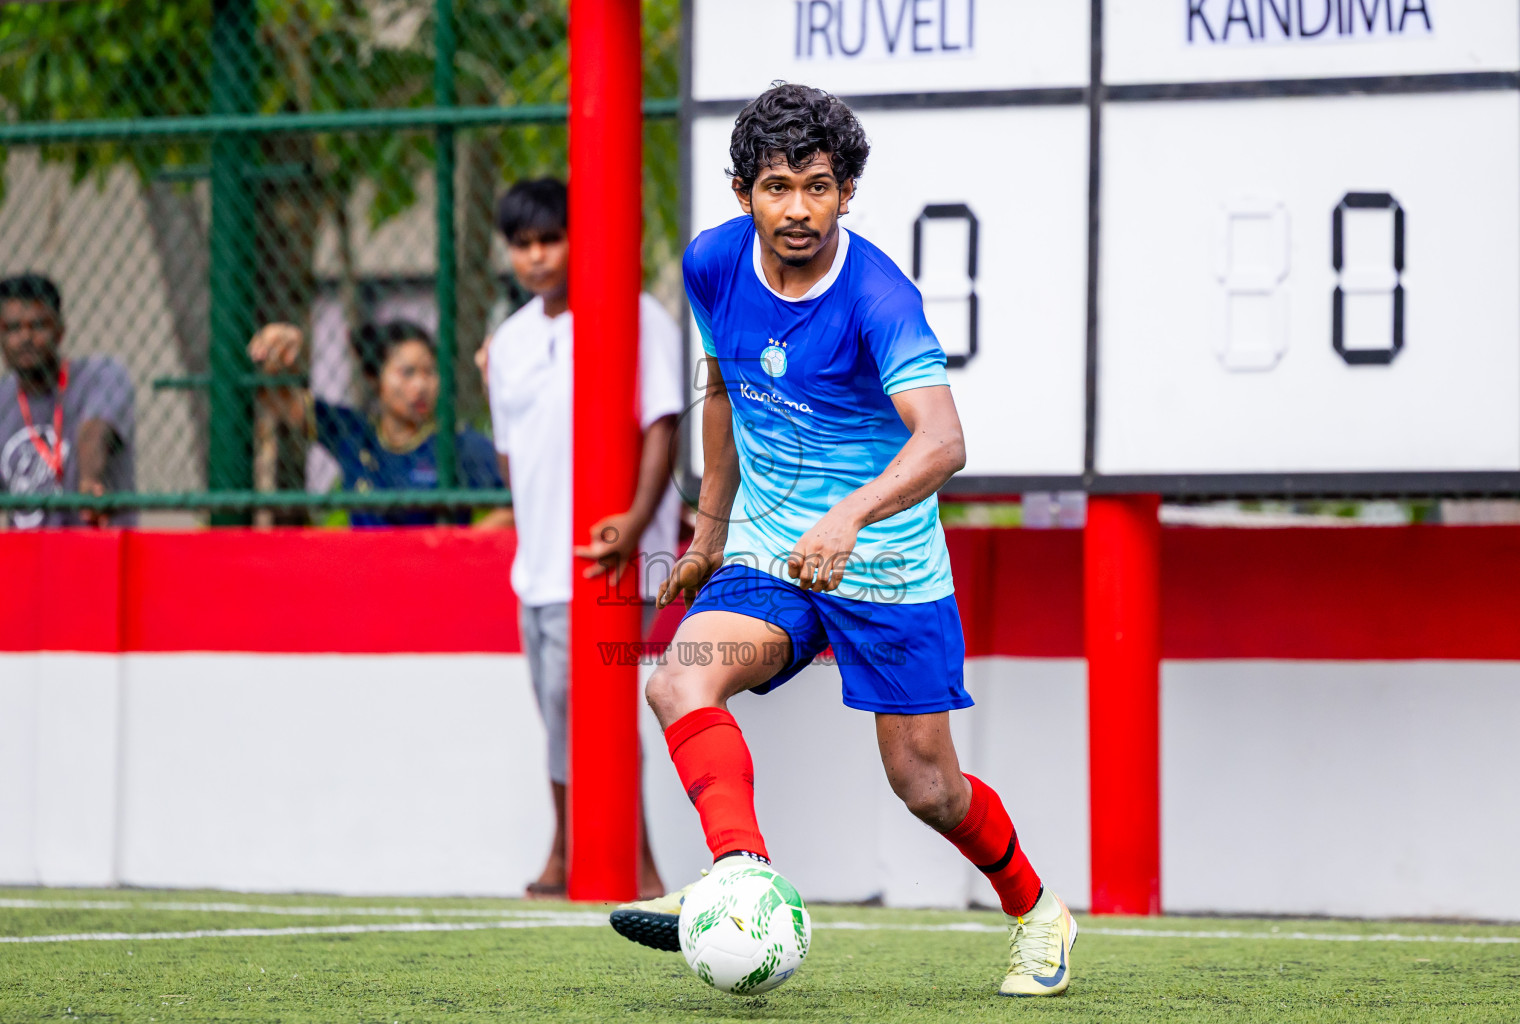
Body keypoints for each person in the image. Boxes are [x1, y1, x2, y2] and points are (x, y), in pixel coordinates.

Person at [608, 84, 1076, 998]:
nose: (797, 209)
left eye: (818, 187)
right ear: (743, 190)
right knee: (677, 679)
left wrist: (851, 514)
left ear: (847, 191)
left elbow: (945, 441)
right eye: (777, 186)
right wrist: (708, 529)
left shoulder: (875, 295)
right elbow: (724, 389)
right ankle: (740, 875)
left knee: (927, 788)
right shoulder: (712, 266)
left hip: (889, 567)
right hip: (773, 552)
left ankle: (1039, 912)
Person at [477, 177, 680, 900]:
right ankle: (567, 851)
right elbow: (511, 452)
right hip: (535, 566)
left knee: (592, 709)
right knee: (557, 712)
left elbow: (662, 423)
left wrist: (633, 518)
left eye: (549, 240)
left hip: (605, 558)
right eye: (522, 246)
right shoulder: (506, 342)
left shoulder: (634, 314)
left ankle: (639, 865)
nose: (536, 258)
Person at [248, 318, 504, 527]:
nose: (421, 386)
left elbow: (515, 505)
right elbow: (278, 399)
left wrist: (458, 545)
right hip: (365, 574)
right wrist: (276, 356)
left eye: (429, 372)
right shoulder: (354, 433)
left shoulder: (459, 443)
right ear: (375, 377)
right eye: (407, 373)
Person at [0, 273, 136, 529]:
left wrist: (89, 481)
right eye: (13, 328)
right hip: (29, 561)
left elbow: (96, 429)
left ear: (60, 330)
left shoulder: (102, 375)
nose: (26, 338)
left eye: (38, 325)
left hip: (95, 554)